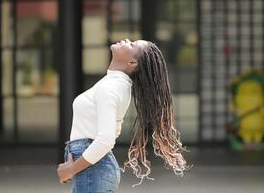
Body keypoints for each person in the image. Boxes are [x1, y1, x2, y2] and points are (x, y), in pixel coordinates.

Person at [57, 39, 192, 192]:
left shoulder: (111, 87)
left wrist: (71, 170)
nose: (127, 40)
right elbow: (115, 130)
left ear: (132, 63)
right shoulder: (114, 84)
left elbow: (105, 140)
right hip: (92, 169)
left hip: (93, 169)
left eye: (132, 44)